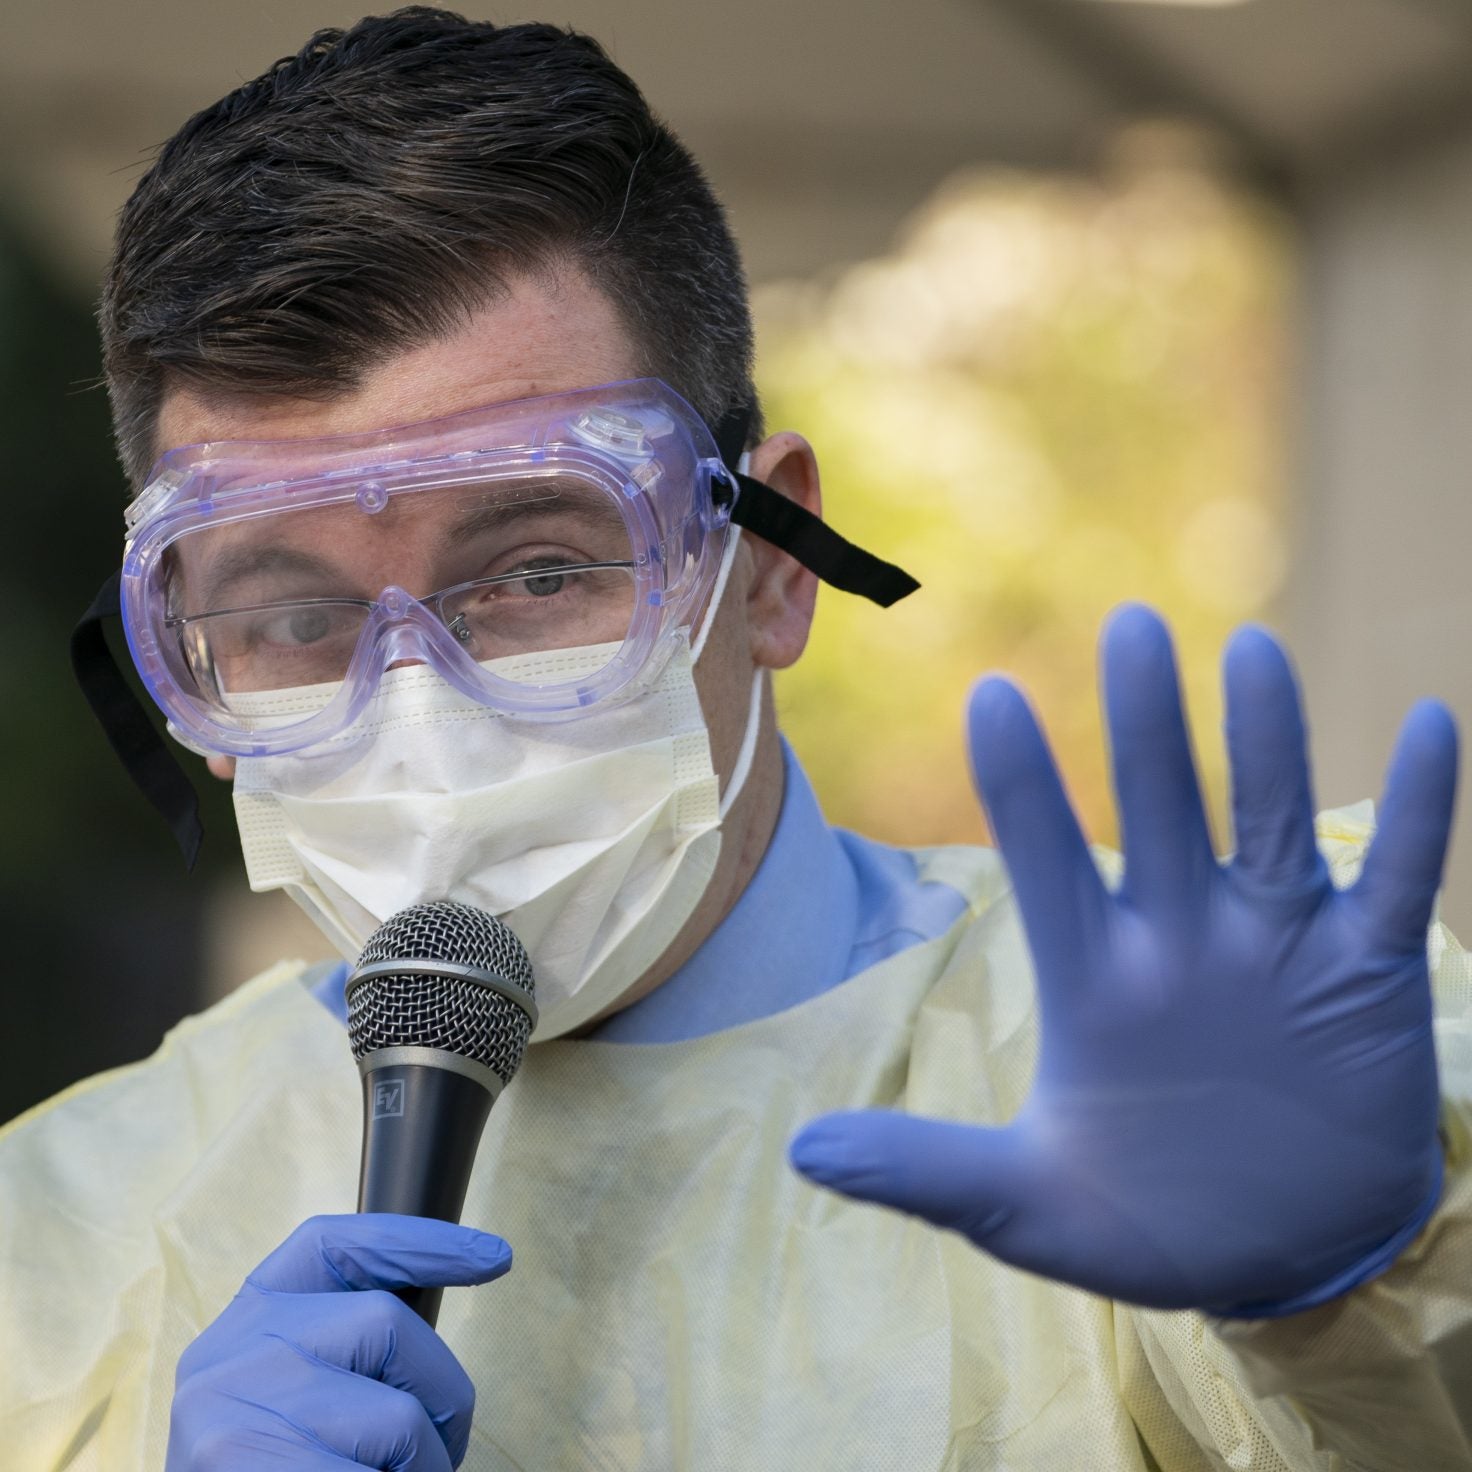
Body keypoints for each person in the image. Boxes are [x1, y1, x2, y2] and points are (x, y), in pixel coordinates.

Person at [6, 8, 1472, 1469]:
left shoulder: (1209, 1047)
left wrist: (1348, 1303)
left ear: (768, 567)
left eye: (538, 573)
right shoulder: (56, 1246)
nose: (419, 710)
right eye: (293, 615)